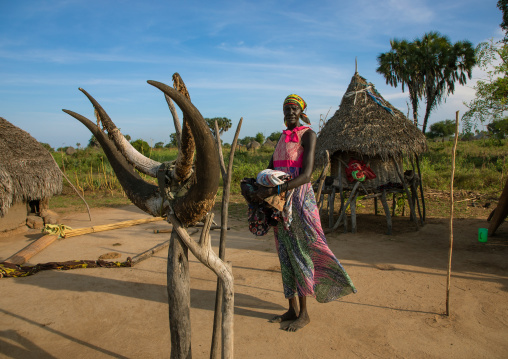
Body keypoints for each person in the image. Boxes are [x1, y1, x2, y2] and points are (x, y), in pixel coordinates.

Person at [253, 94, 356, 332]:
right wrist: (261, 183)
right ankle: (291, 308)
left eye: (293, 109)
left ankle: (305, 313)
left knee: (300, 253)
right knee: (285, 254)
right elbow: (271, 168)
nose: (289, 112)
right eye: (286, 109)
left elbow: (307, 175)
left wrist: (277, 188)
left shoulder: (308, 135)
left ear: (301, 112)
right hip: (279, 203)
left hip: (299, 200)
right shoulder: (281, 137)